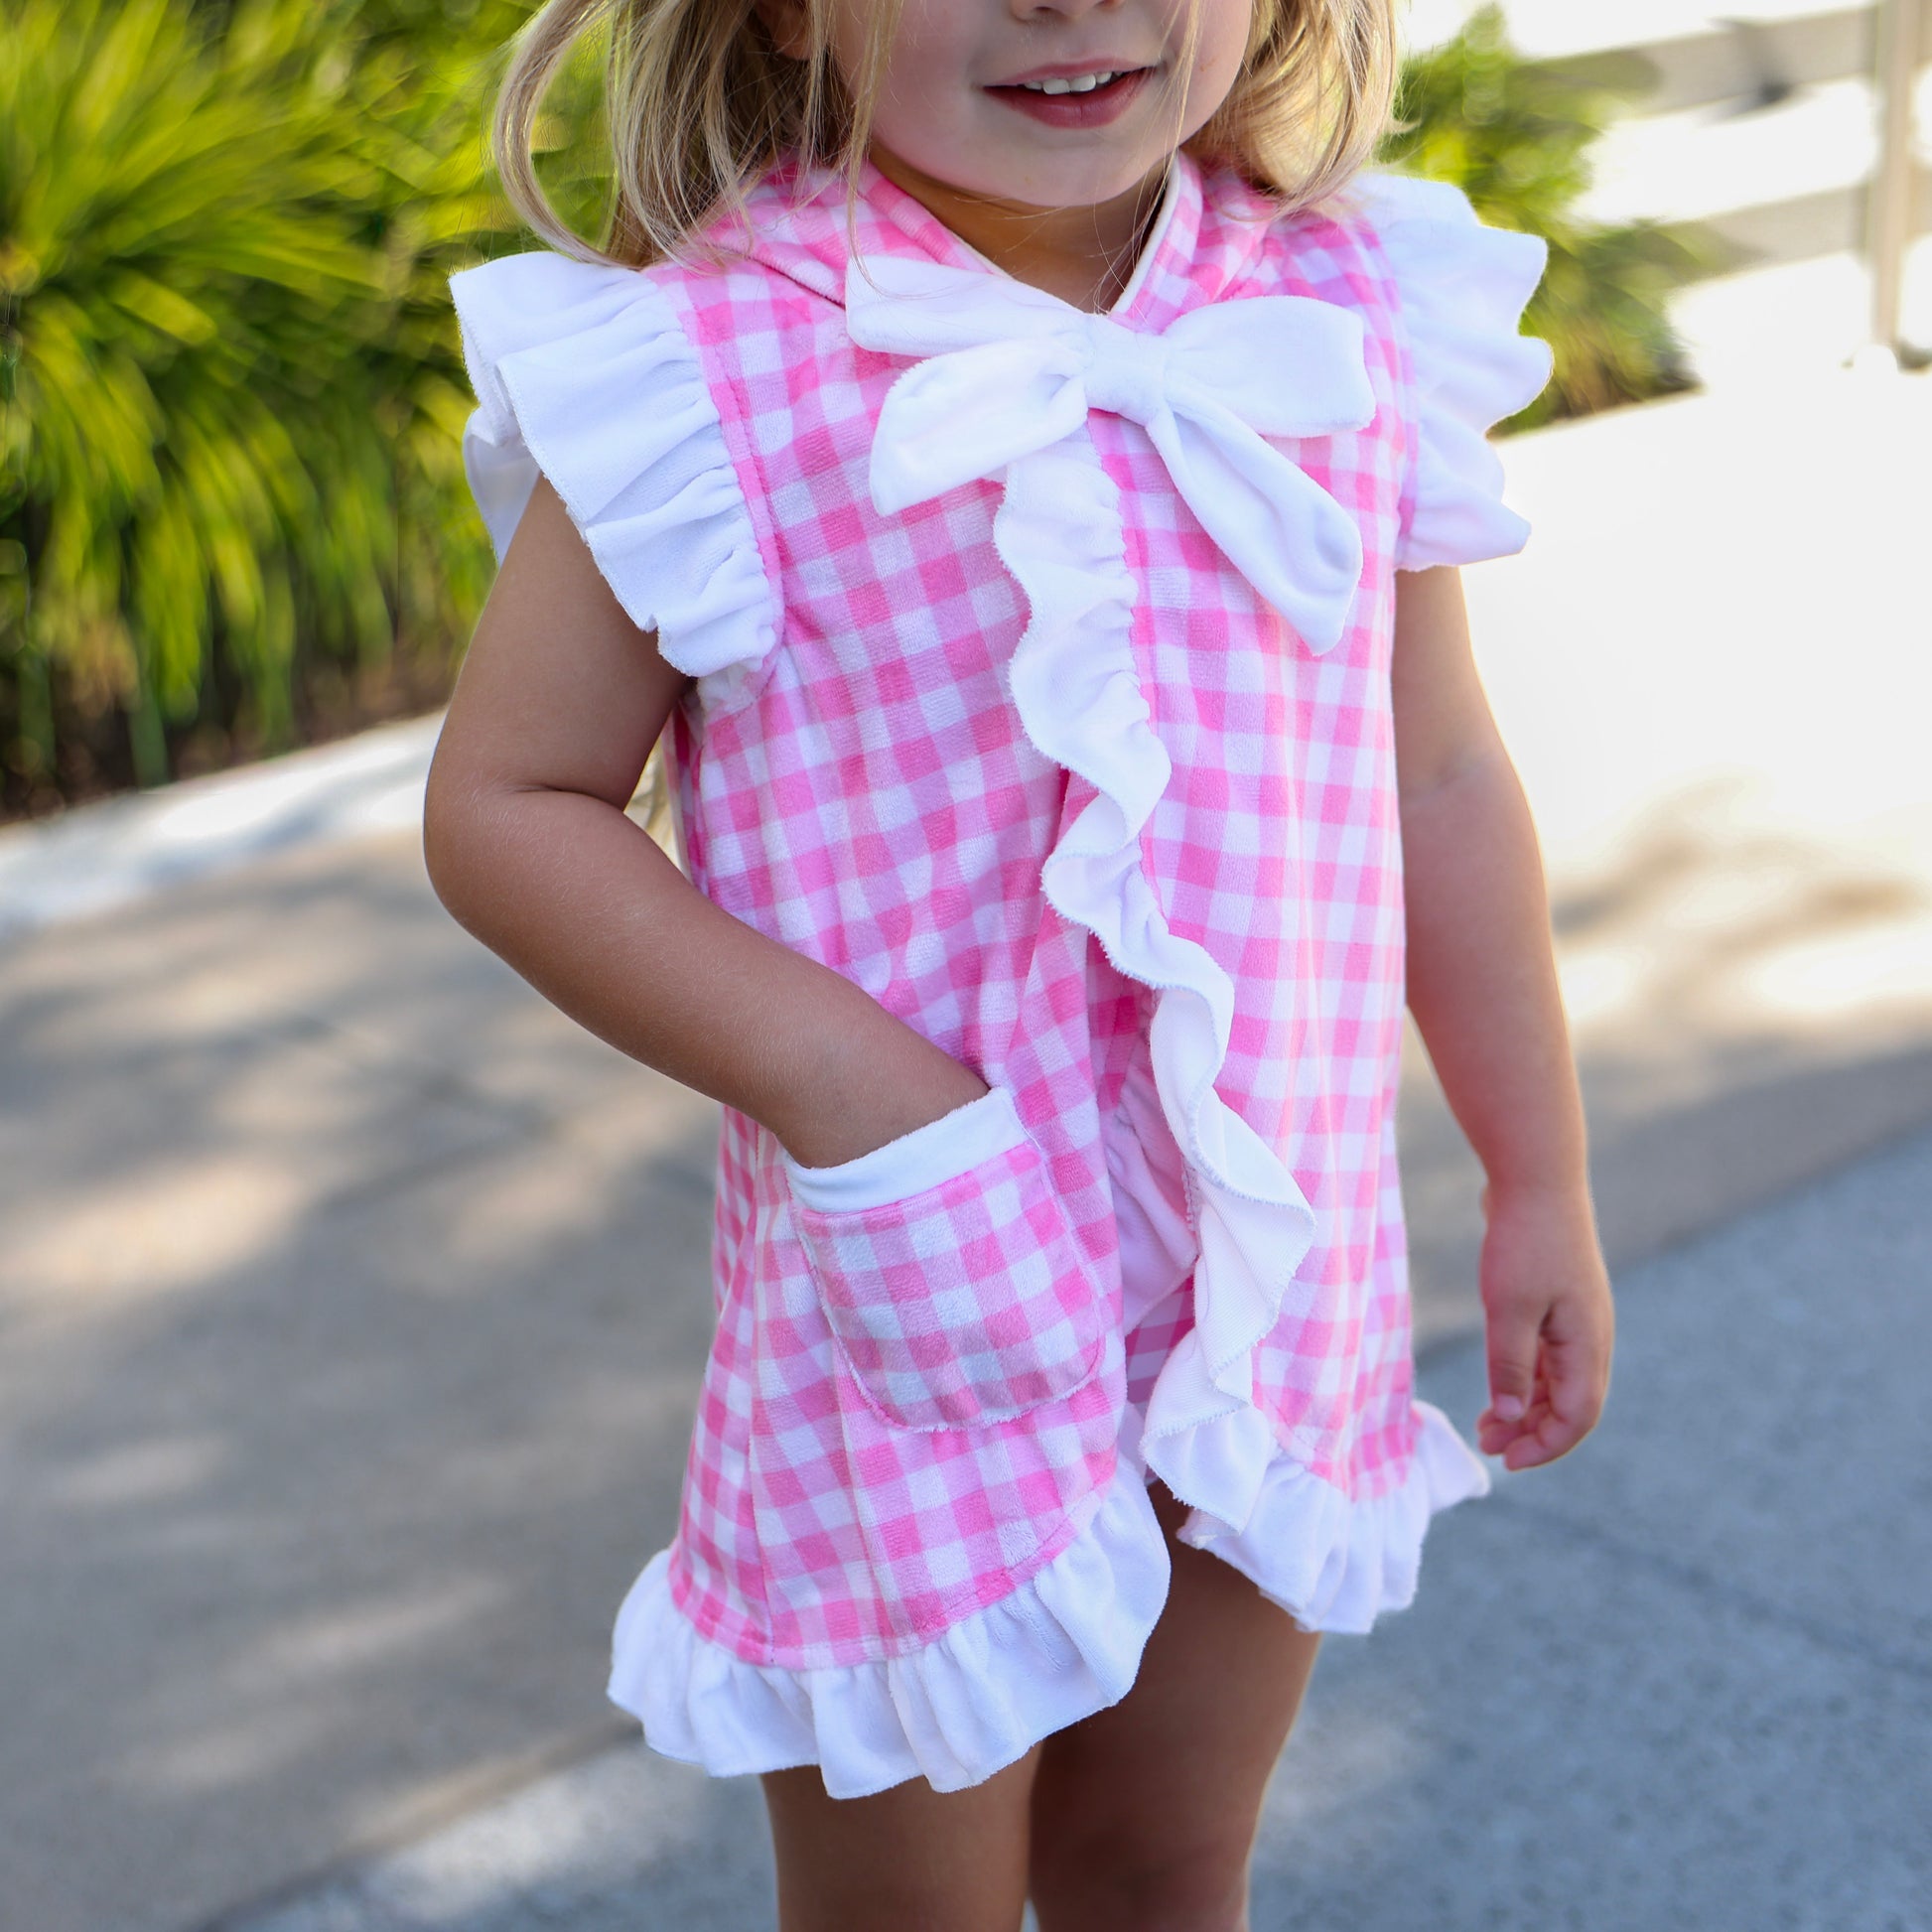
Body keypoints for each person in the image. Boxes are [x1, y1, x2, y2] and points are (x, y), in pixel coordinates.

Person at [421, 0, 1617, 1926]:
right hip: (926, 1299)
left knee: (1164, 1869)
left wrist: (1536, 1175)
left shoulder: (1348, 304)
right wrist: (847, 1083)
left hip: (1259, 1283)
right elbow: (508, 803)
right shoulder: (704, 369)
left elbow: (1439, 772)